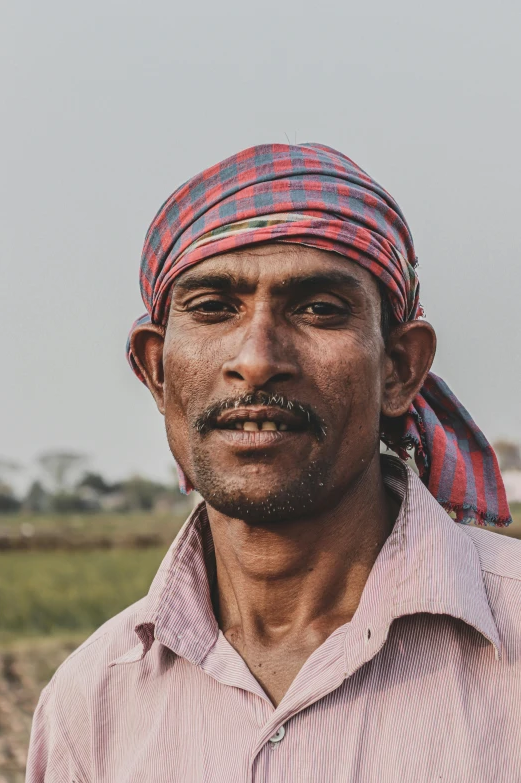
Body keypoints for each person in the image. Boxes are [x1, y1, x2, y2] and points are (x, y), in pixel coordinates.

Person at [27, 144, 521, 782]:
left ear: (398, 368)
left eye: (319, 309)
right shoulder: (93, 702)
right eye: (212, 308)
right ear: (155, 370)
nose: (257, 360)